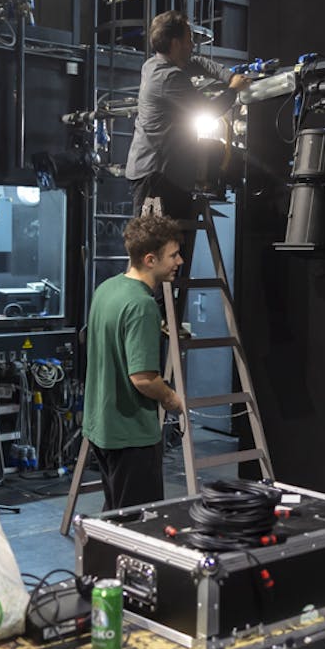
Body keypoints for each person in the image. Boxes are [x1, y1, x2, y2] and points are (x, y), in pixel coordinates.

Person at [81, 214, 185, 510]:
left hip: (102, 428)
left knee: (117, 516)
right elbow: (143, 378)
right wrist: (172, 398)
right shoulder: (142, 305)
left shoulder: (107, 289)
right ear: (150, 260)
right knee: (138, 524)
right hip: (131, 436)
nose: (179, 261)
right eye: (173, 255)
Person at [125, 9, 246, 220]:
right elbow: (208, 109)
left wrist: (229, 76)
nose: (192, 46)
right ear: (175, 44)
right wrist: (233, 89)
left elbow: (198, 62)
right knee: (154, 237)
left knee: (173, 238)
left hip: (165, 176)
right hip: (156, 178)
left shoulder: (154, 64)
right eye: (189, 40)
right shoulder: (168, 77)